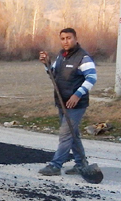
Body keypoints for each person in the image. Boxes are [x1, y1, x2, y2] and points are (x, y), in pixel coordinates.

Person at [38, 27, 97, 176]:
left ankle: (55, 165)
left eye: (69, 38)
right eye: (63, 38)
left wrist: (77, 95)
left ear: (75, 39)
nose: (66, 41)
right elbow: (54, 74)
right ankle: (81, 163)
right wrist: (47, 63)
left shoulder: (83, 57)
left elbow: (92, 78)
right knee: (72, 133)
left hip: (76, 104)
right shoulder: (61, 56)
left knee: (65, 134)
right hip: (62, 102)